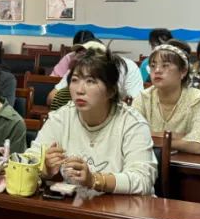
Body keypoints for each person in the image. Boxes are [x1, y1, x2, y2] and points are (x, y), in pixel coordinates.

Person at [33, 49, 157, 195]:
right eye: (75, 80)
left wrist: (94, 180)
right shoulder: (61, 117)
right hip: (78, 204)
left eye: (90, 81)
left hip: (124, 206)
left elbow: (143, 179)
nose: (80, 90)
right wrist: (45, 167)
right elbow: (31, 158)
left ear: (111, 90)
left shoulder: (132, 123)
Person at [134, 44, 200, 155]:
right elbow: (132, 137)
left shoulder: (198, 99)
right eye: (153, 66)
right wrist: (176, 137)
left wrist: (152, 136)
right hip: (150, 159)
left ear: (183, 72)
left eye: (165, 65)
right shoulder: (143, 97)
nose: (157, 70)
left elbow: (197, 146)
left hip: (191, 163)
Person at [50, 39, 143, 108]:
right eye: (79, 53)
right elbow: (51, 97)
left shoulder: (127, 67)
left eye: (90, 81)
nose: (80, 90)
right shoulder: (77, 68)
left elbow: (136, 103)